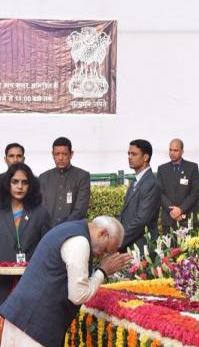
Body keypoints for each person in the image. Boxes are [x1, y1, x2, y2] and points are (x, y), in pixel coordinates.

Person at [0, 215, 131, 347]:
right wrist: (102, 271)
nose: (102, 256)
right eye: (105, 250)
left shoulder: (70, 228)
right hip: (34, 327)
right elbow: (78, 295)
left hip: (20, 318)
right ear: (102, 233)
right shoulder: (80, 242)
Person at [0, 163, 51, 304]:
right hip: (2, 283)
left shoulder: (41, 212)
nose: (20, 186)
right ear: (7, 184)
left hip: (30, 282)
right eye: (15, 182)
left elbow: (47, 248)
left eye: (25, 182)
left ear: (31, 186)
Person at [119, 139, 161, 253]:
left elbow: (141, 221)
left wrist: (118, 242)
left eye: (134, 154)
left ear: (145, 157)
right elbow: (125, 214)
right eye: (128, 153)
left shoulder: (151, 184)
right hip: (129, 246)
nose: (129, 157)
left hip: (141, 247)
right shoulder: (135, 181)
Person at [40, 137, 91, 226]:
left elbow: (80, 210)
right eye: (57, 154)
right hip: (47, 231)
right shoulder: (44, 178)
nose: (60, 158)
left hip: (72, 230)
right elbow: (41, 208)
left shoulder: (82, 176)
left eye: (64, 154)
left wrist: (63, 228)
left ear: (71, 154)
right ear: (53, 154)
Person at [157, 138, 199, 233]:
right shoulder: (162, 169)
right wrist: (172, 211)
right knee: (169, 248)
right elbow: (160, 193)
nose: (172, 153)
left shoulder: (192, 167)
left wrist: (180, 210)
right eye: (170, 150)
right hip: (168, 220)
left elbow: (195, 192)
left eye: (175, 150)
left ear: (182, 151)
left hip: (186, 219)